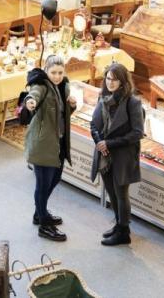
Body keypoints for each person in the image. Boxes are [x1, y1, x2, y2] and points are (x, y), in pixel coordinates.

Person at [23, 55, 77, 242]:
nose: (57, 76)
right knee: (43, 184)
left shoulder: (64, 86)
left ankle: (40, 212)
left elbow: (61, 114)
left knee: (55, 178)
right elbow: (33, 95)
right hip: (43, 144)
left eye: (60, 72)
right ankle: (44, 225)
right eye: (53, 72)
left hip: (59, 142)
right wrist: (30, 102)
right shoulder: (42, 85)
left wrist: (72, 105)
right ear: (46, 71)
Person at [90, 63, 144, 246]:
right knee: (111, 191)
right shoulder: (103, 97)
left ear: (122, 81)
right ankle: (119, 225)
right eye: (108, 78)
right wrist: (99, 143)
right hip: (105, 154)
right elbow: (93, 125)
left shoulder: (133, 102)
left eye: (114, 79)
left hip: (123, 154)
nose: (110, 82)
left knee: (121, 193)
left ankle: (124, 231)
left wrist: (109, 143)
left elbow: (137, 133)